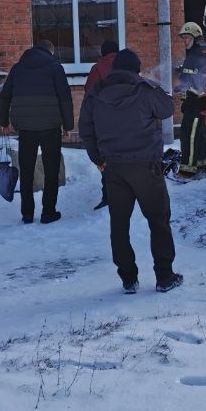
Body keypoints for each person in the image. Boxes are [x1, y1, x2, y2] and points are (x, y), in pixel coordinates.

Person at [79, 48, 183, 294]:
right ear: (136, 69)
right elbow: (167, 109)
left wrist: (98, 159)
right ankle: (164, 277)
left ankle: (128, 279)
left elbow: (86, 130)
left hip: (114, 168)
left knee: (119, 224)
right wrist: (154, 84)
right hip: (147, 166)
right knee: (158, 221)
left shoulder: (96, 93)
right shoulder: (145, 90)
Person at [0, 40, 74, 224]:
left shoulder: (18, 69)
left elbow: (4, 96)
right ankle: (48, 212)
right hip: (51, 127)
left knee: (26, 170)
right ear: (50, 51)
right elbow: (65, 98)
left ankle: (27, 214)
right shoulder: (55, 68)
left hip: (26, 128)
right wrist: (68, 126)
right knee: (51, 170)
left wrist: (4, 122)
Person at [84, 39, 120, 210]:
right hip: (128, 119)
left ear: (103, 52)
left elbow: (89, 92)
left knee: (106, 159)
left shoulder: (97, 68)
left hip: (105, 121)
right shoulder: (126, 66)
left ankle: (108, 196)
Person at [175, 22, 206, 176]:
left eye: (187, 37)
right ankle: (205, 162)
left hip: (197, 103)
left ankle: (188, 169)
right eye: (183, 38)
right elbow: (189, 77)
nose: (184, 41)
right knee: (200, 134)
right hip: (196, 102)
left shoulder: (198, 54)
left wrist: (188, 97)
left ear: (195, 37)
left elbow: (199, 83)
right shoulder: (196, 53)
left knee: (188, 135)